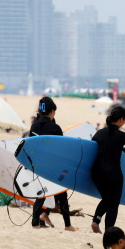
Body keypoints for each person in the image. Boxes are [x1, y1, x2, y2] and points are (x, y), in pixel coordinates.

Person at [29, 96, 78, 231]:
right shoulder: (55, 127)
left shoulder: (34, 125)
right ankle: (67, 225)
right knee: (61, 194)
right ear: (52, 111)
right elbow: (62, 149)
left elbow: (31, 145)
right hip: (53, 166)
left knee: (41, 194)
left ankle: (34, 222)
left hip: (39, 165)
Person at [91, 106, 125, 233]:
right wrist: (121, 148)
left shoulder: (99, 133)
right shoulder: (123, 136)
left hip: (96, 173)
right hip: (113, 174)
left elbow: (92, 148)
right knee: (114, 203)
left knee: (106, 199)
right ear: (121, 119)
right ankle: (108, 231)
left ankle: (96, 221)